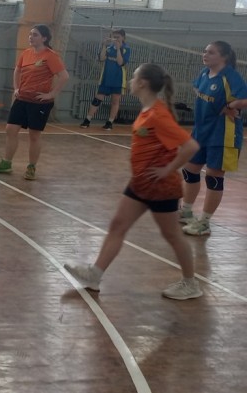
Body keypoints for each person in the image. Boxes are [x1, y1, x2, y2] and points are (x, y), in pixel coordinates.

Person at [64, 63, 203, 300]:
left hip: (161, 187)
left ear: (142, 83)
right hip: (140, 183)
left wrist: (168, 169)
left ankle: (191, 284)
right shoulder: (147, 109)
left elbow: (191, 146)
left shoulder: (158, 115)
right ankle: (95, 275)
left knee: (172, 235)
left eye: (134, 77)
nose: (130, 81)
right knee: (118, 225)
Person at [178, 41, 247, 236]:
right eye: (205, 51)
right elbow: (197, 89)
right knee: (189, 171)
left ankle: (204, 223)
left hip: (222, 134)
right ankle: (186, 211)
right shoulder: (204, 73)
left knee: (214, 177)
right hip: (201, 131)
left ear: (223, 57)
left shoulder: (230, 76)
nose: (205, 55)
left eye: (211, 52)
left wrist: (231, 106)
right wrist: (216, 105)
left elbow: (244, 98)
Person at [0, 24, 69, 181]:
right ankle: (6, 163)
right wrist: (16, 88)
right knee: (10, 129)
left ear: (44, 38)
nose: (31, 37)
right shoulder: (26, 53)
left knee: (34, 135)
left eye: (35, 34)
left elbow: (64, 76)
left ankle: (31, 167)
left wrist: (51, 94)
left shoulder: (50, 56)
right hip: (22, 99)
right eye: (30, 34)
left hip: (39, 102)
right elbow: (17, 70)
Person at [80, 29, 131, 130]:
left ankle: (109, 122)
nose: (115, 39)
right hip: (106, 77)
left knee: (115, 101)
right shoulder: (109, 47)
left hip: (118, 79)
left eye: (118, 37)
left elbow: (120, 62)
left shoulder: (126, 49)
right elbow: (101, 58)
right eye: (114, 37)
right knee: (97, 99)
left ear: (123, 38)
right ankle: (87, 120)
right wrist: (104, 45)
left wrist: (118, 49)